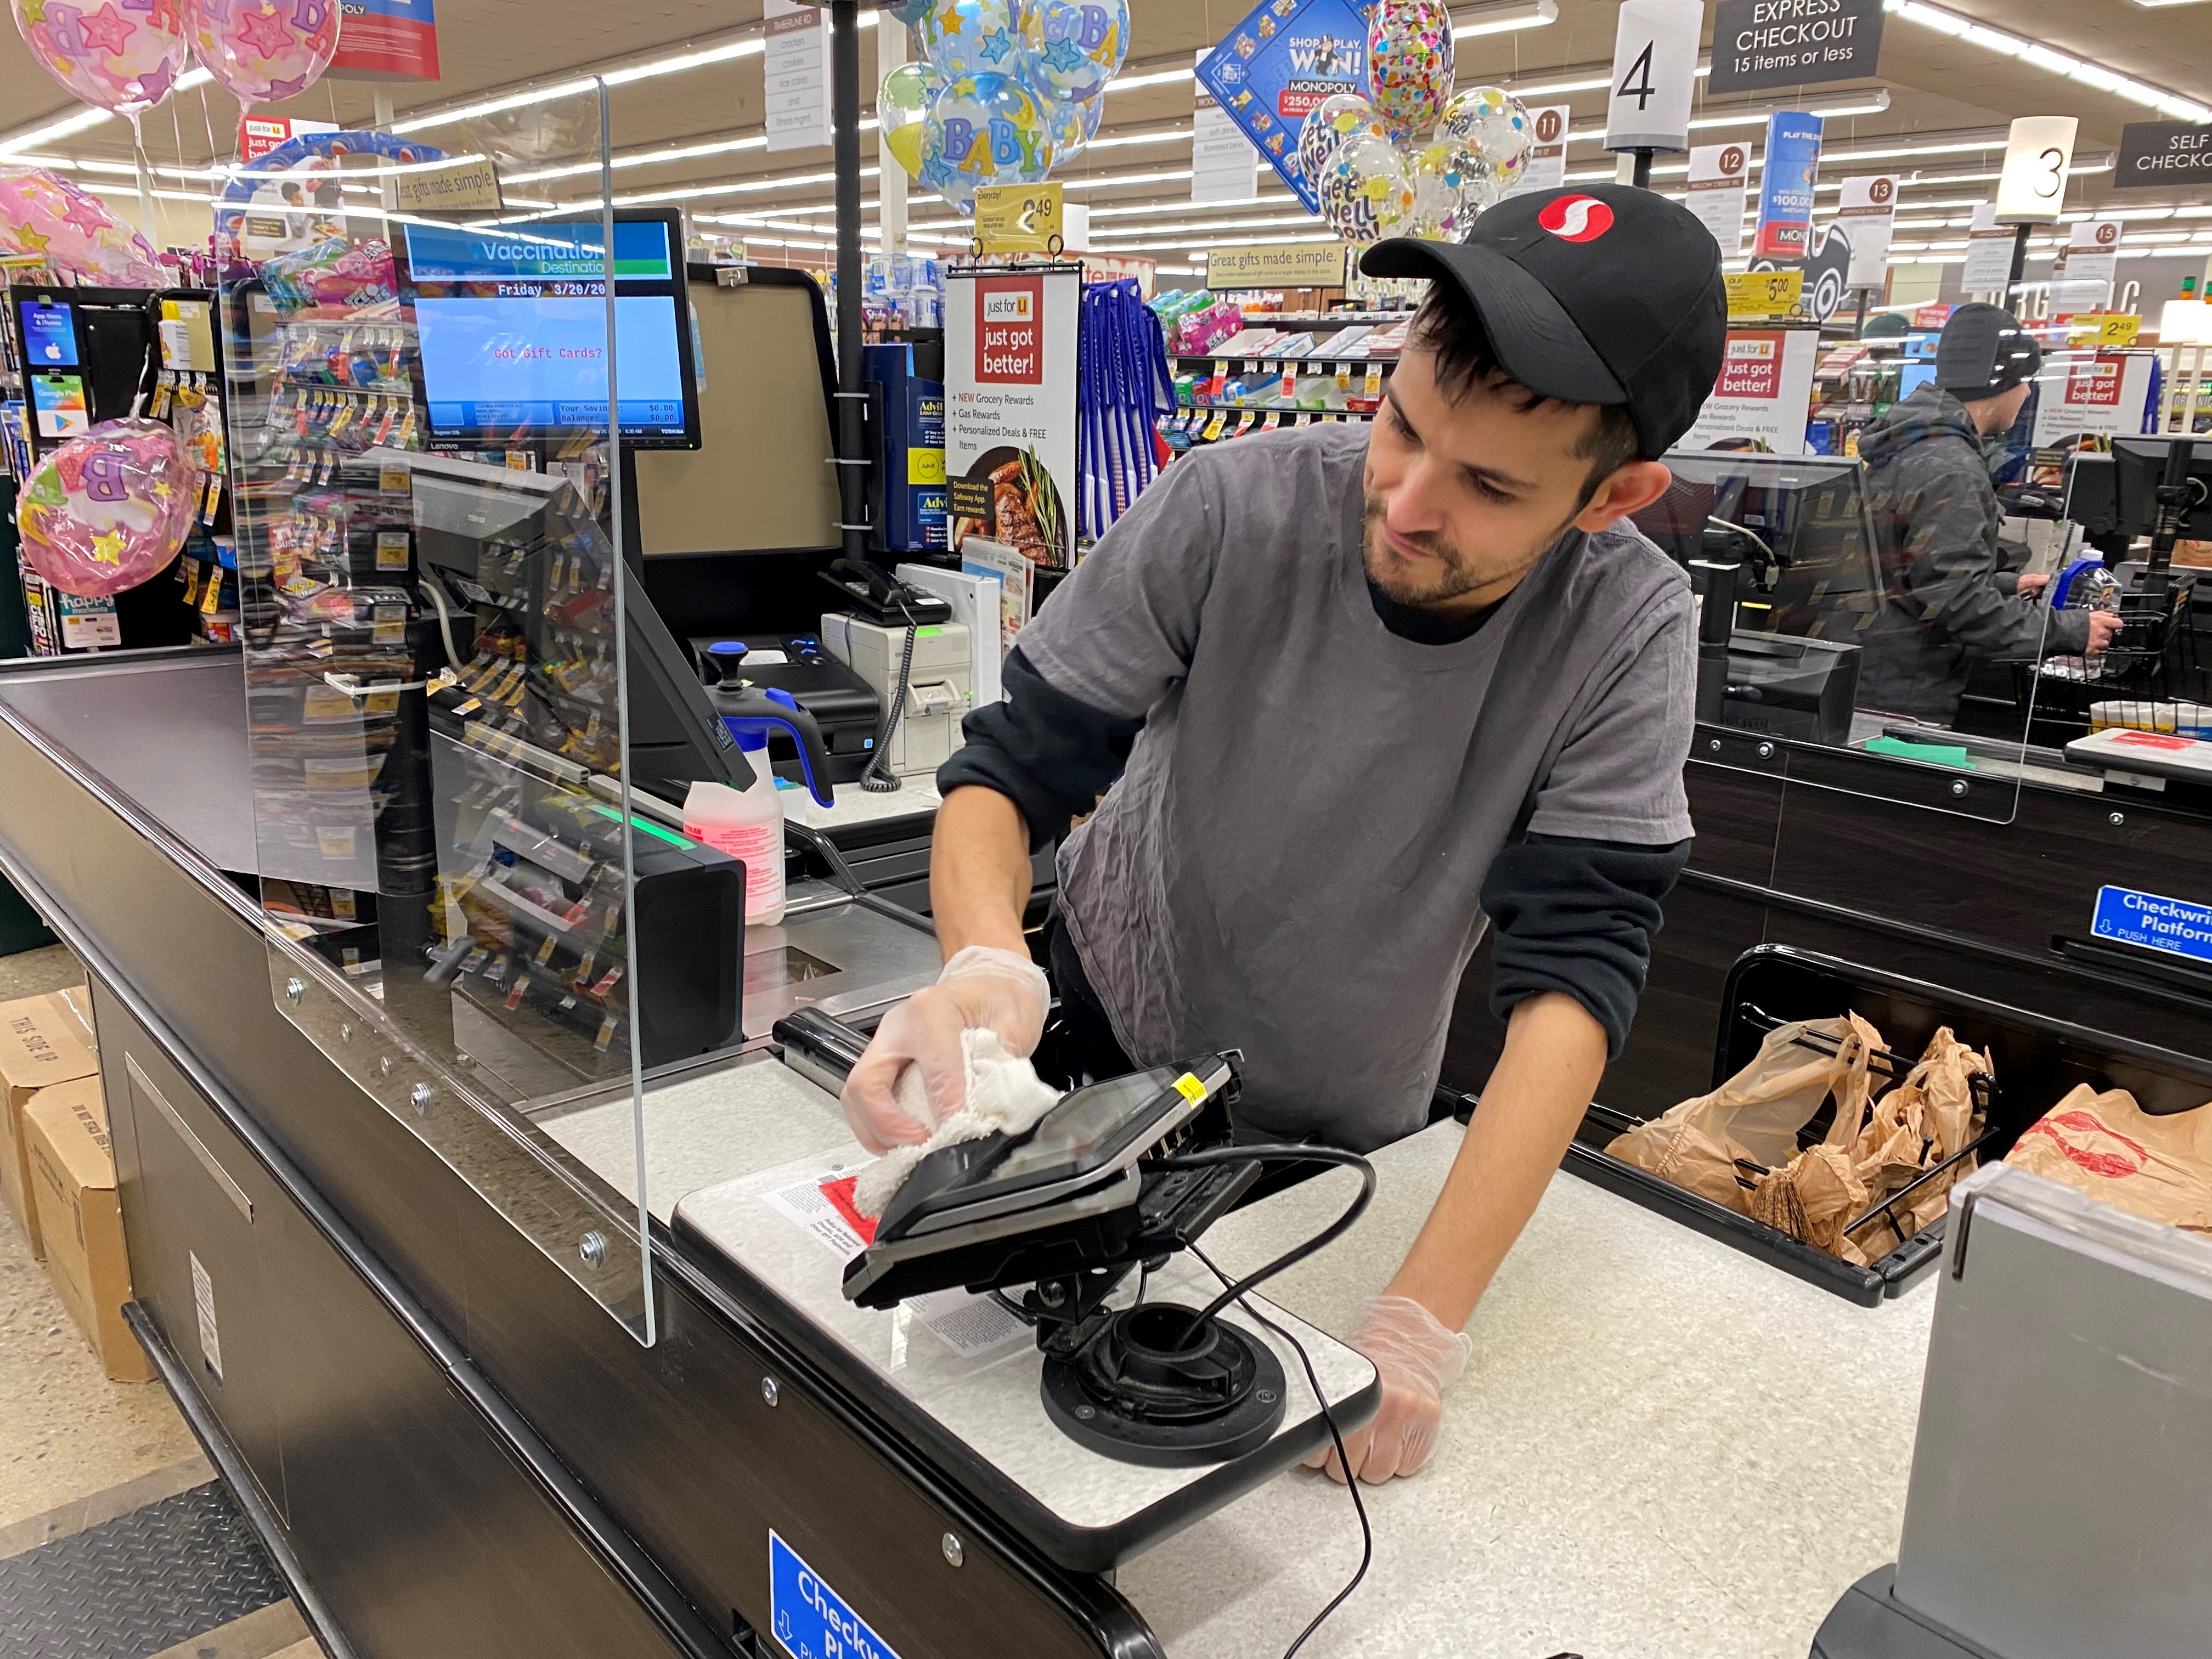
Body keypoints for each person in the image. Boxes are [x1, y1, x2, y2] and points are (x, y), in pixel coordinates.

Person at [838, 185, 1725, 1484]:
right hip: (1096, 1036)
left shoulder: (1632, 629)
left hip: (1334, 1136)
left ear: (1616, 494)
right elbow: (1012, 769)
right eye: (1400, 427)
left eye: (1485, 485)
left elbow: (1578, 974)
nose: (1409, 503)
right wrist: (985, 968)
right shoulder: (1228, 506)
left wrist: (1420, 1322)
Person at [1857, 302, 2119, 721]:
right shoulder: (1951, 466)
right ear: (2000, 383)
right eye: (2026, 381)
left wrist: (2005, 586)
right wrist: (2069, 630)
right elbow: (1958, 606)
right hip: (1901, 695)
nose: (2029, 393)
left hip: (1877, 673)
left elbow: (1912, 573)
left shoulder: (1913, 444)